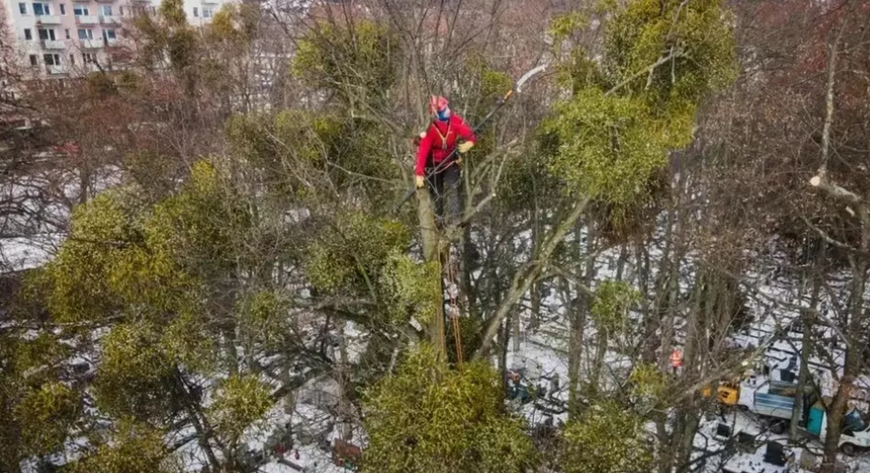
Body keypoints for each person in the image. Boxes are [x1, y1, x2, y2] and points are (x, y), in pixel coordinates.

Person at [415, 96, 477, 226]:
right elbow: (422, 152)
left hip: (449, 160)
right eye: (444, 109)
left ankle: (455, 218)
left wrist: (471, 142)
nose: (448, 111)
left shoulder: (454, 120)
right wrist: (419, 174)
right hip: (432, 165)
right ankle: (439, 220)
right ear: (435, 113)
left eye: (447, 108)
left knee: (452, 187)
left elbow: (467, 132)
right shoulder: (429, 130)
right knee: (437, 192)